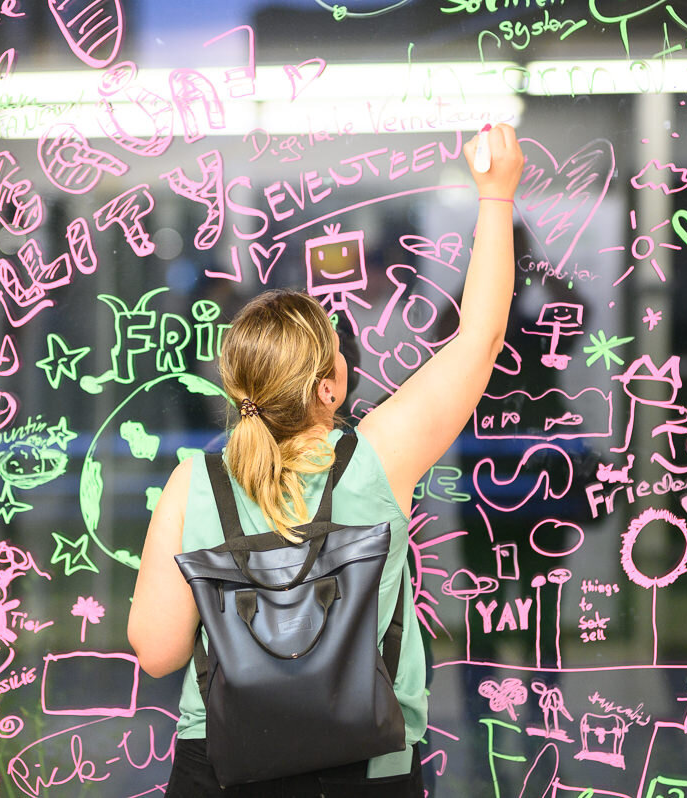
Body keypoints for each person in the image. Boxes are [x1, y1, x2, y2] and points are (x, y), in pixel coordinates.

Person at [128, 123, 524, 796]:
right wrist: (495, 195)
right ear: (328, 388)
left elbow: (159, 653)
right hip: (367, 769)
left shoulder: (194, 483)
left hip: (221, 767)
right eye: (339, 351)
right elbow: (480, 338)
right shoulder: (379, 460)